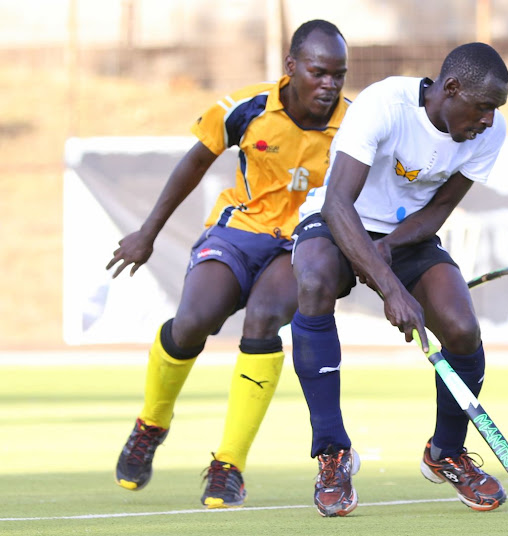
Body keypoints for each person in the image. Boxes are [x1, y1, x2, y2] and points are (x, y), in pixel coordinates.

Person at [106, 20, 349, 508]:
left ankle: (228, 466)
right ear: (291, 68)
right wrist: (147, 233)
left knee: (262, 323)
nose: (330, 85)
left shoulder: (357, 125)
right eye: (319, 72)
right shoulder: (248, 106)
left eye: (339, 75)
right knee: (194, 321)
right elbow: (194, 163)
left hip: (300, 244)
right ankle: (152, 423)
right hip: (238, 231)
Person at [290, 42, 508, 517]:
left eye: (495, 110)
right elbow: (336, 204)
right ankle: (332, 452)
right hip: (337, 221)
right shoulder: (384, 105)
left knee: (461, 328)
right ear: (450, 89)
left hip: (405, 235)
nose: (489, 120)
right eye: (484, 107)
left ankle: (446, 452)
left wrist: (384, 258)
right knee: (312, 283)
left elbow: (437, 211)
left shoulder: (487, 134)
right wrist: (390, 288)